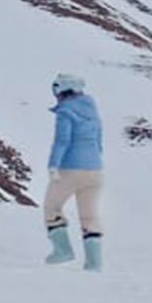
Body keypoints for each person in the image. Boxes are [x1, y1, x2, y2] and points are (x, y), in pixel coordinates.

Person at [43, 73, 104, 271]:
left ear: (63, 90)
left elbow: (62, 141)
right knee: (89, 216)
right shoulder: (92, 110)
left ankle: (63, 251)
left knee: (51, 207)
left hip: (70, 168)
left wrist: (53, 165)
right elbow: (99, 140)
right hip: (95, 170)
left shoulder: (66, 111)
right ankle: (94, 263)